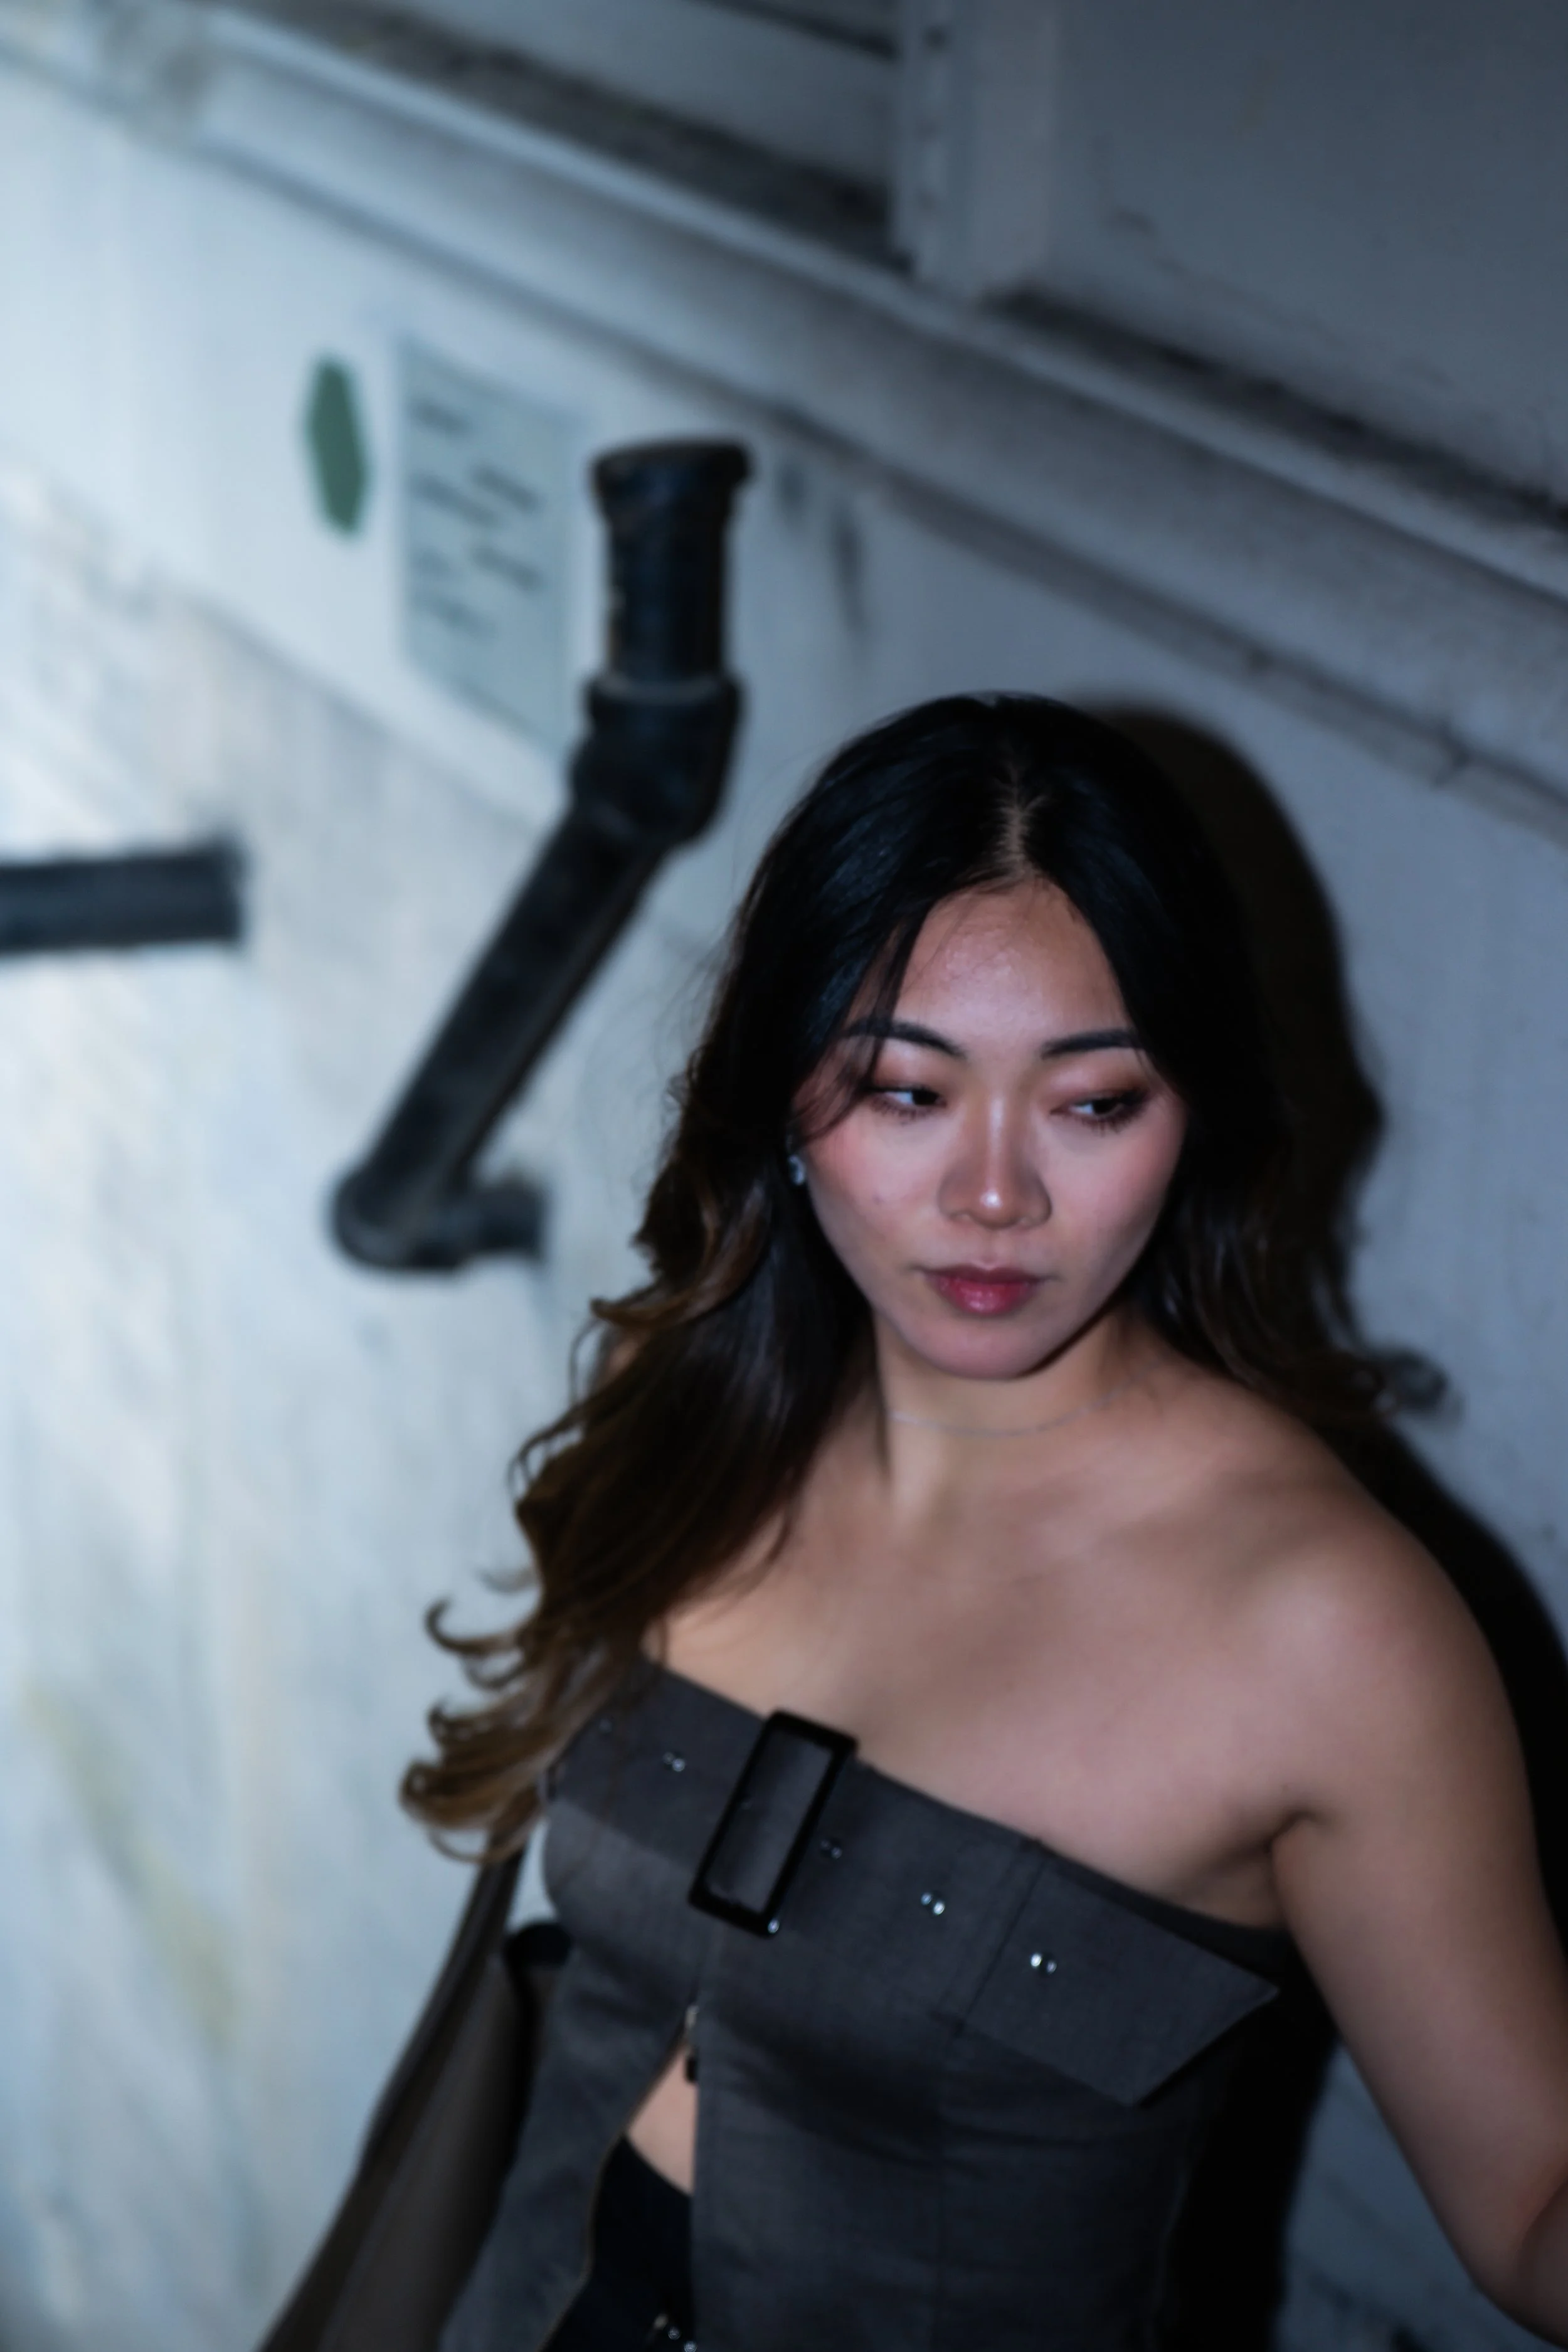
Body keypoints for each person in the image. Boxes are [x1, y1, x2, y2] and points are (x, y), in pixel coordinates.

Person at [408, 696, 1568, 2351]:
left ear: (1194, 1119)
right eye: (900, 1092)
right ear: (783, 1104)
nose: (993, 1195)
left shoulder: (1320, 1618)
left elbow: (1533, 2201)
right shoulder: (716, 1424)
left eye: (1091, 1102)